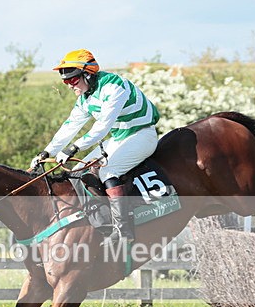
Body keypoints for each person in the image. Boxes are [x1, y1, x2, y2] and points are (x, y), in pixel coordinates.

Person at [30, 49, 160, 247]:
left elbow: (102, 127)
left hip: (142, 135)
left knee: (108, 171)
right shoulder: (85, 98)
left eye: (72, 80)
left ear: (88, 74)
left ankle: (123, 229)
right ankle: (102, 222)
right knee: (76, 172)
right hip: (120, 137)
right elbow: (70, 126)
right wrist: (47, 152)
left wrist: (73, 148)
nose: (69, 85)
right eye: (65, 82)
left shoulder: (113, 88)